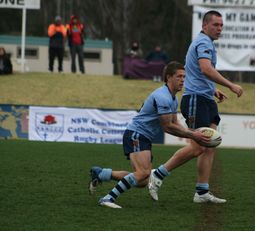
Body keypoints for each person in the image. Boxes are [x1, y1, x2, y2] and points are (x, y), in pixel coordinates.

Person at [148, 10, 243, 204]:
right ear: (204, 26)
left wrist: (213, 89)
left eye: (221, 25)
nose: (220, 28)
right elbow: (205, 69)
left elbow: (196, 72)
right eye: (216, 25)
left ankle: (201, 192)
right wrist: (231, 85)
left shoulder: (206, 43)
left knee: (210, 146)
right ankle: (158, 174)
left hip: (205, 98)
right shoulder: (202, 42)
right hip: (195, 100)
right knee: (197, 146)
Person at [88, 61, 210, 209]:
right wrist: (193, 136)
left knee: (142, 180)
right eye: (179, 76)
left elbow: (175, 122)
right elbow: (168, 127)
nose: (183, 80)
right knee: (143, 172)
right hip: (136, 134)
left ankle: (101, 174)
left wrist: (193, 133)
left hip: (143, 136)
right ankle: (108, 198)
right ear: (168, 77)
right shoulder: (163, 97)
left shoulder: (173, 97)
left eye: (184, 76)